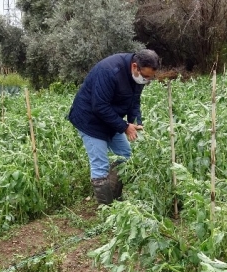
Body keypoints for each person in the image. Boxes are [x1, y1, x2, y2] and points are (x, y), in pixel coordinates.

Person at [68, 49, 159, 205]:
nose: (147, 80)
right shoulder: (109, 71)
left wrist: (136, 122)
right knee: (100, 166)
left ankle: (115, 200)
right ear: (135, 67)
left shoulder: (139, 77)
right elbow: (99, 106)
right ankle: (107, 210)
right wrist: (124, 127)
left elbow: (134, 101)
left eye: (151, 77)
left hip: (110, 118)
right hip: (90, 120)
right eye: (146, 77)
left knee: (125, 155)